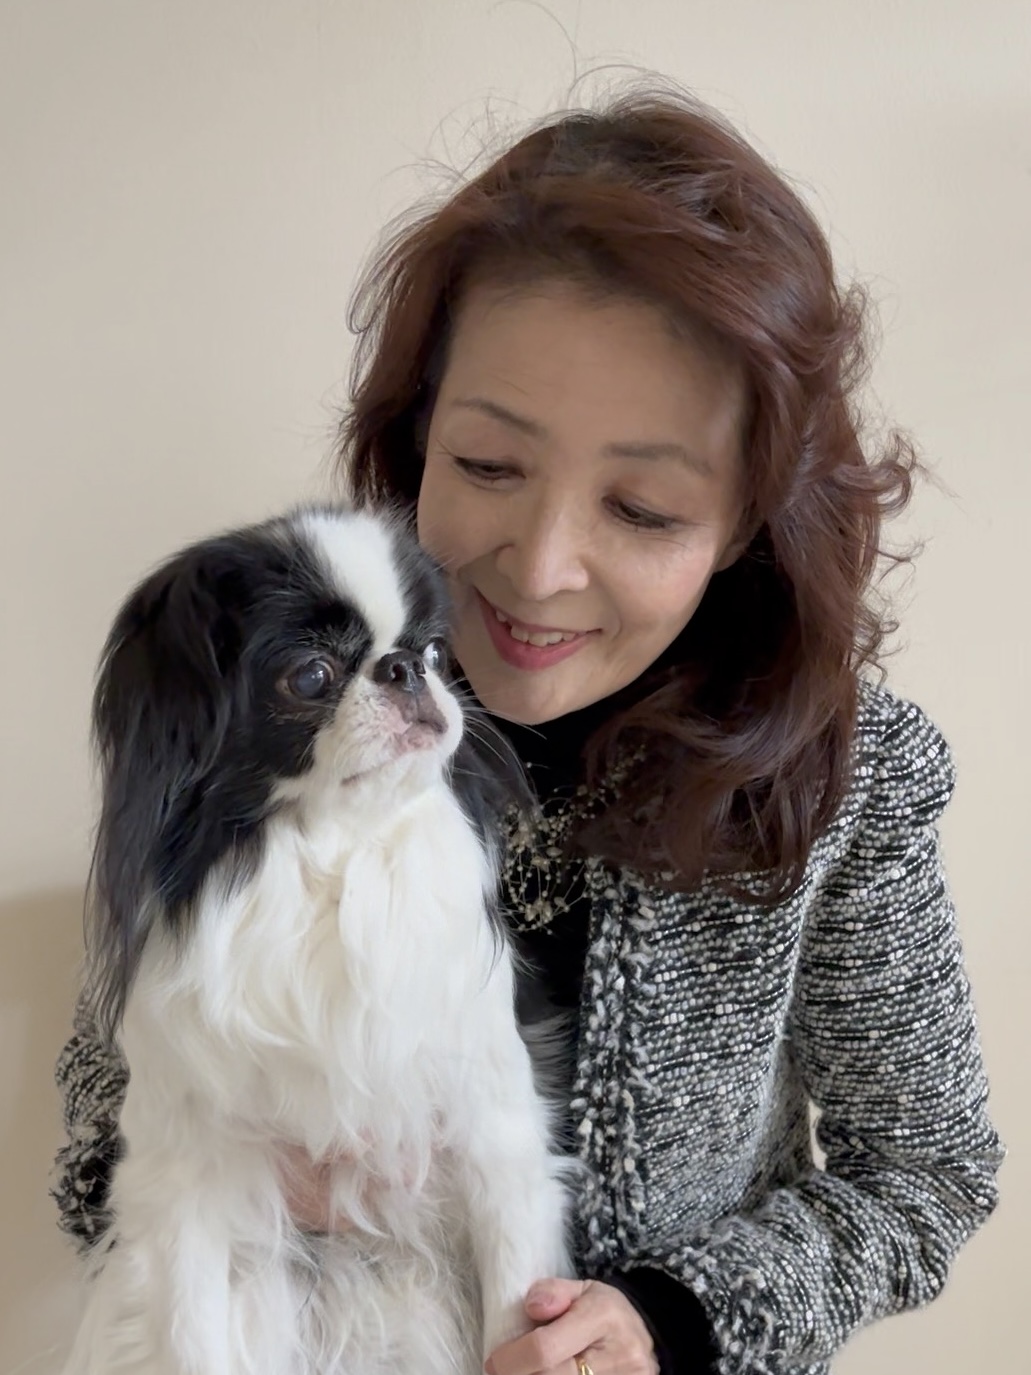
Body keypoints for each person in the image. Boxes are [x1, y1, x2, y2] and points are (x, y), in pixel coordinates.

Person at [53, 87, 1003, 1374]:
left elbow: (926, 1173)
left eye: (643, 509)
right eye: (488, 467)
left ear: (745, 524)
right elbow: (102, 1147)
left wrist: (673, 1317)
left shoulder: (848, 776)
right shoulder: (260, 696)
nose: (541, 566)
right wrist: (238, 1182)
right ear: (417, 437)